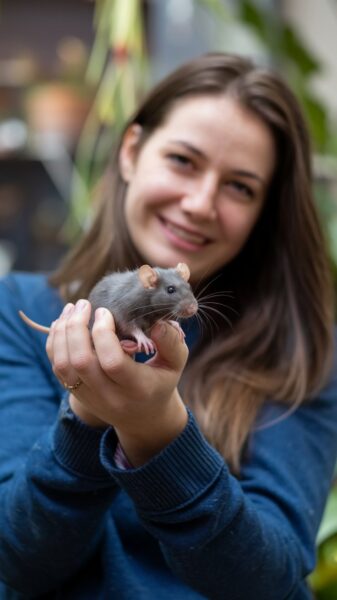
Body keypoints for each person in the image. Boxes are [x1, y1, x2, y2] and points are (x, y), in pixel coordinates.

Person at [0, 52, 336, 600]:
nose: (200, 204)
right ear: (131, 152)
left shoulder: (303, 353)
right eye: (183, 160)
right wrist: (87, 415)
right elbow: (17, 559)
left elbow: (271, 580)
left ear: (264, 211)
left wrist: (158, 432)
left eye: (240, 187)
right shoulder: (13, 308)